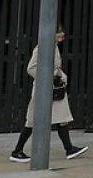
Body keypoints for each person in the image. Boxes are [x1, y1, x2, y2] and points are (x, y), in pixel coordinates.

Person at [10, 26, 87, 161]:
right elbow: (31, 68)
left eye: (62, 37)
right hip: (43, 89)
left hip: (54, 89)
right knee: (32, 120)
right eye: (59, 37)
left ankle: (69, 149)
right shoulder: (42, 47)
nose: (61, 39)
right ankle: (17, 150)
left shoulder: (54, 46)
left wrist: (61, 75)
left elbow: (55, 67)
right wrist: (48, 77)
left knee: (62, 118)